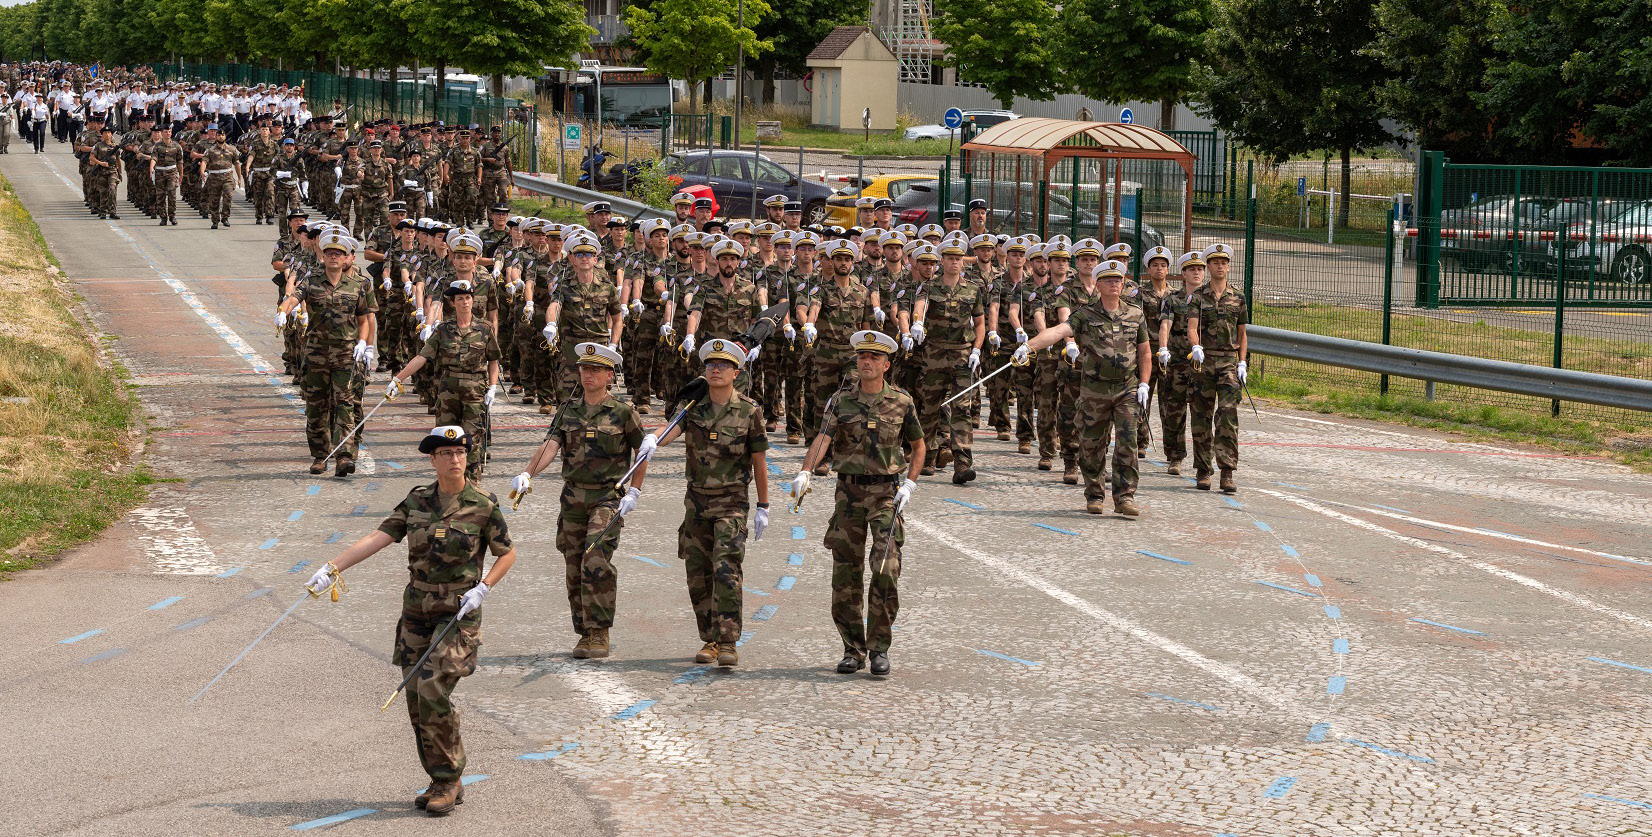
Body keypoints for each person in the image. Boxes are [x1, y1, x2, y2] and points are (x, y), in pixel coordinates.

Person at [304, 424, 516, 816]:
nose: (455, 459)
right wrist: (334, 566)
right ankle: (442, 777)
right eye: (446, 454)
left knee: (434, 688)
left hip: (458, 611)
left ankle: (448, 778)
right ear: (432, 459)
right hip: (416, 608)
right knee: (417, 700)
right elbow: (379, 536)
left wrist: (483, 587)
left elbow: (506, 553)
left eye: (460, 452)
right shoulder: (417, 500)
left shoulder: (483, 503)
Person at [792, 330, 923, 676]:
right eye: (862, 356)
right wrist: (806, 470)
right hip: (847, 494)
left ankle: (878, 647)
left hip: (885, 494)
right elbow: (824, 438)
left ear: (886, 364)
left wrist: (910, 482)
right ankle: (853, 649)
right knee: (845, 573)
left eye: (874, 357)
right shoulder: (840, 400)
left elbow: (919, 445)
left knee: (885, 569)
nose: (866, 362)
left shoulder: (902, 401)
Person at [511, 343, 646, 659]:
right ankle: (585, 632)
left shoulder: (624, 413)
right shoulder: (567, 410)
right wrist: (528, 473)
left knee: (595, 557)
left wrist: (635, 491)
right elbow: (550, 446)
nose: (588, 375)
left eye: (596, 370)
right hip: (572, 498)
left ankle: (600, 632)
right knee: (573, 565)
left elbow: (643, 454)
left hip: (607, 498)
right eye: (585, 369)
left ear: (609, 375)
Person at [647, 340, 771, 668]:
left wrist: (763, 506)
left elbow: (759, 462)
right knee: (697, 573)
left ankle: (728, 641)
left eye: (723, 365)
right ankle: (710, 638)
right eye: (711, 365)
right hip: (696, 503)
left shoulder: (749, 411)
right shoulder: (693, 408)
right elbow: (671, 431)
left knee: (726, 568)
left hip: (731, 503)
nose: (715, 370)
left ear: (736, 372)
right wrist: (653, 439)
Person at [1015, 260, 1150, 516]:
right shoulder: (1085, 315)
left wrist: (1144, 383)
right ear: (1098, 284)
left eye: (1118, 279)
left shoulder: (1135, 314)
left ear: (1123, 284)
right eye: (1108, 279)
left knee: (1128, 444)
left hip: (1127, 389)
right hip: (1094, 391)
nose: (1114, 283)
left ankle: (1125, 497)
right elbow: (1057, 332)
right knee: (1092, 445)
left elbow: (1144, 352)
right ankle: (1095, 494)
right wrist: (1030, 346)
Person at [386, 268, 502, 482]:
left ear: (473, 300)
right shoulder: (443, 330)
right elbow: (422, 357)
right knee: (447, 439)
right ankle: (448, 484)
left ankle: (472, 485)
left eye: (468, 298)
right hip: (447, 391)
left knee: (472, 439)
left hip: (475, 391)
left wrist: (493, 388)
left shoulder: (485, 329)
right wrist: (398, 378)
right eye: (460, 299)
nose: (465, 302)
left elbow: (493, 360)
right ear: (453, 303)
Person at [277, 230, 376, 476]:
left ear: (346, 259)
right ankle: (321, 456)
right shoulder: (311, 281)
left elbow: (365, 319)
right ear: (324, 256)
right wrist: (283, 311)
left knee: (344, 405)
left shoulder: (360, 285)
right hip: (316, 354)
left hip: (345, 354)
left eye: (338, 254)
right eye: (330, 253)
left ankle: (343, 455)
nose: (333, 257)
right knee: (316, 407)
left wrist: (364, 344)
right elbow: (293, 298)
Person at [907, 238, 984, 484]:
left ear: (963, 262)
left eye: (958, 258)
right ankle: (927, 457)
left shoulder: (972, 289)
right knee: (930, 407)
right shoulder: (929, 287)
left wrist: (977, 350)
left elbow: (980, 322)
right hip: (935, 354)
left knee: (962, 409)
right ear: (942, 261)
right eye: (950, 258)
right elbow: (920, 305)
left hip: (963, 355)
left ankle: (962, 463)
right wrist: (917, 322)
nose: (954, 262)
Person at [1186, 243, 1247, 493]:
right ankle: (1203, 469)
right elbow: (1191, 327)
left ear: (1228, 267)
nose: (1220, 266)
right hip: (1204, 362)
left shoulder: (1238, 297)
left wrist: (1243, 361)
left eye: (1224, 263)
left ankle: (1227, 471)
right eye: (1215, 263)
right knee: (1201, 415)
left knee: (1227, 416)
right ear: (1208, 267)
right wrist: (1196, 346)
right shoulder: (1198, 297)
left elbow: (1242, 333)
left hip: (1229, 363)